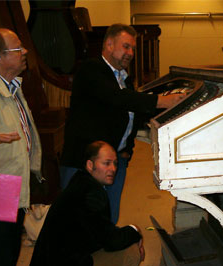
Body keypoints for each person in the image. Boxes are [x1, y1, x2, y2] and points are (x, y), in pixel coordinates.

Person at [59, 23, 185, 224]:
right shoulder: (92, 69)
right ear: (109, 44)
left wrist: (126, 149)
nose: (131, 53)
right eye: (126, 46)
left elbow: (131, 113)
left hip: (115, 159)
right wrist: (161, 100)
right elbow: (116, 98)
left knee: (108, 217)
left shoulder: (124, 78)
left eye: (133, 49)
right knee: (78, 221)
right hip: (84, 162)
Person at [28, 141, 144, 266]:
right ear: (90, 165)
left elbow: (100, 231)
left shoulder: (80, 181)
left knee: (119, 248)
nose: (113, 169)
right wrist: (135, 231)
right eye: (106, 163)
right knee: (130, 253)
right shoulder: (92, 193)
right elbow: (112, 241)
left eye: (115, 163)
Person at [0, 28, 42, 266]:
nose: (25, 52)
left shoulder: (10, 84)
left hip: (10, 181)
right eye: (18, 48)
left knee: (8, 252)